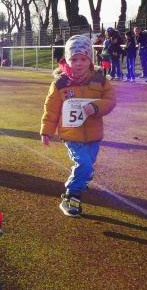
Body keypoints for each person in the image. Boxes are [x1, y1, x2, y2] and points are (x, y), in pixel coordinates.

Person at [40, 35, 115, 218]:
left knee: (87, 167)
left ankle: (83, 177)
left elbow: (110, 101)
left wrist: (95, 107)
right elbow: (51, 109)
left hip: (94, 135)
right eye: (74, 59)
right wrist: (47, 131)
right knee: (84, 164)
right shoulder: (60, 84)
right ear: (67, 60)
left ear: (90, 60)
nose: (79, 63)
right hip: (71, 134)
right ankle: (71, 196)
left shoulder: (100, 80)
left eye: (83, 59)